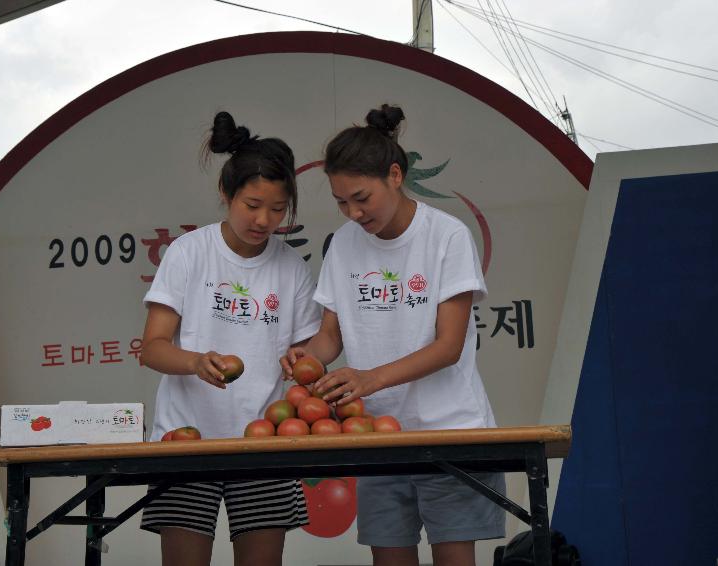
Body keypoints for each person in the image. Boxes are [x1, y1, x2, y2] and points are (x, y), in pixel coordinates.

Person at [281, 104, 505, 566]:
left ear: (396, 175)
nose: (354, 212)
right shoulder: (343, 244)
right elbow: (330, 337)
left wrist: (370, 379)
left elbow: (449, 345)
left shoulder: (446, 236)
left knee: (455, 557)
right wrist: (307, 358)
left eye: (362, 197)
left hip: (450, 432)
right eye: (342, 202)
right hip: (377, 434)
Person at [140, 111, 321, 566]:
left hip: (264, 439)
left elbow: (309, 353)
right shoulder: (189, 252)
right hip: (186, 437)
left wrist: (306, 363)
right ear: (226, 193)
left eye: (277, 209)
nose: (264, 219)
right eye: (252, 204)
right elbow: (153, 347)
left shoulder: (291, 268)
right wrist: (196, 362)